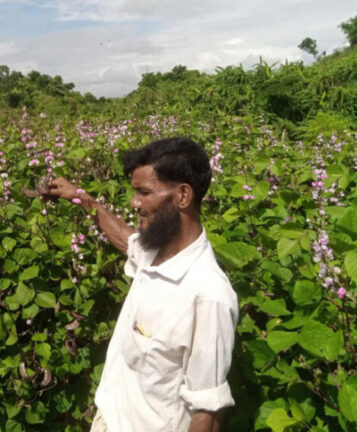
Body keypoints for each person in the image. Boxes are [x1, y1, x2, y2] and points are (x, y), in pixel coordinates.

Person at [46, 137, 238, 432]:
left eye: (144, 192)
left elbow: (207, 413)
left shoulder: (207, 294)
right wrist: (82, 198)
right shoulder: (156, 251)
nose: (134, 203)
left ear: (183, 196)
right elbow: (125, 239)